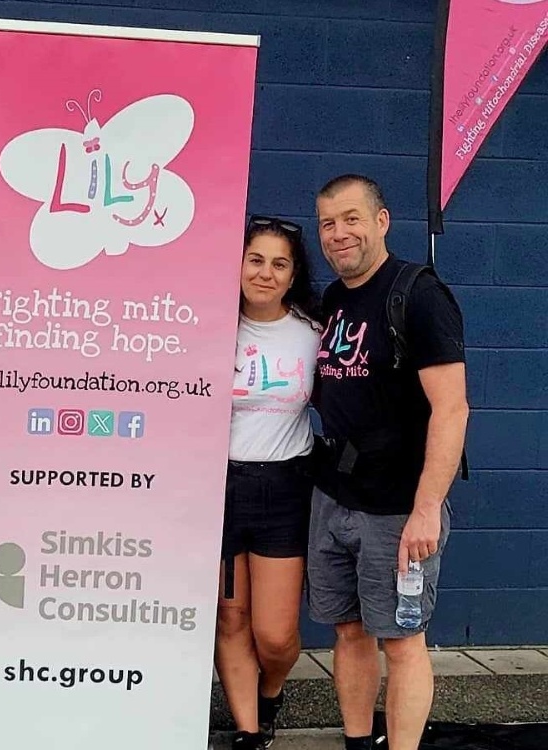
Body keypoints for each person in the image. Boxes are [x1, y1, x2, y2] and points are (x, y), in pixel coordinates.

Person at [309, 175, 468, 750]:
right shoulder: (334, 298)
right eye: (327, 223)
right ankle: (358, 742)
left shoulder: (418, 294)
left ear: (381, 221)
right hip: (335, 498)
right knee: (348, 632)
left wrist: (426, 510)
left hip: (398, 509)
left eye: (352, 218)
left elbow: (452, 409)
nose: (338, 233)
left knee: (401, 641)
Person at [215, 216, 322, 750]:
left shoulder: (313, 331)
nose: (264, 272)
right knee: (231, 619)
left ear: (293, 274)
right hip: (218, 488)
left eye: (279, 263)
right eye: (255, 259)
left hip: (284, 489)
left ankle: (271, 689)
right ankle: (249, 732)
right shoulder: (207, 323)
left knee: (275, 636)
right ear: (237, 263)